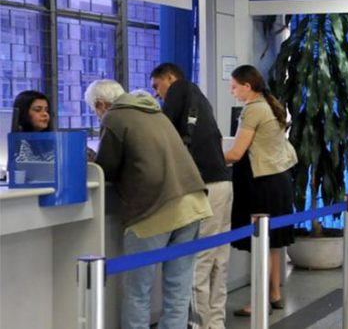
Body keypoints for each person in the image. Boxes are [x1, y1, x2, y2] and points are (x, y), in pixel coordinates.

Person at [84, 80, 212, 329]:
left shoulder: (114, 117)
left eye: (94, 110)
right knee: (178, 288)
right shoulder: (155, 113)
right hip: (191, 202)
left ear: (100, 105)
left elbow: (106, 169)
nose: (97, 115)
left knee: (138, 290)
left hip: (153, 208)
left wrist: (92, 161)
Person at [150, 63, 233, 329]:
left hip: (204, 186)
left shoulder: (179, 89)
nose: (157, 94)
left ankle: (198, 324)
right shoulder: (199, 97)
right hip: (223, 183)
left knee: (199, 260)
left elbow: (165, 131)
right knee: (219, 259)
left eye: (157, 86)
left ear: (169, 77)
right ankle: (216, 322)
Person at [223, 65, 297, 316]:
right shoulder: (270, 104)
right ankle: (274, 294)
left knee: (261, 244)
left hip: (261, 184)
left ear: (247, 86)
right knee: (272, 243)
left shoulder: (253, 109)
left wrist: (205, 159)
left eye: (234, 87)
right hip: (278, 181)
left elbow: (236, 153)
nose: (232, 91)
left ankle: (258, 302)